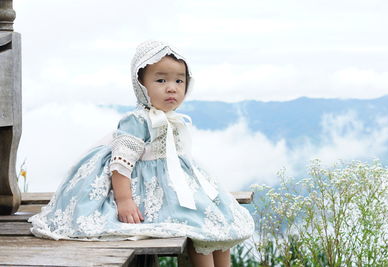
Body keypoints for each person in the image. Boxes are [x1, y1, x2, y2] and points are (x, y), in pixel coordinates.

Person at [29, 40, 254, 267]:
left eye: (179, 80)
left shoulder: (172, 120)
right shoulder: (137, 120)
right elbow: (120, 164)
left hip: (173, 183)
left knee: (219, 225)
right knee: (201, 228)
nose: (171, 87)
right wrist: (124, 200)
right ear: (141, 85)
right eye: (161, 80)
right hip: (143, 186)